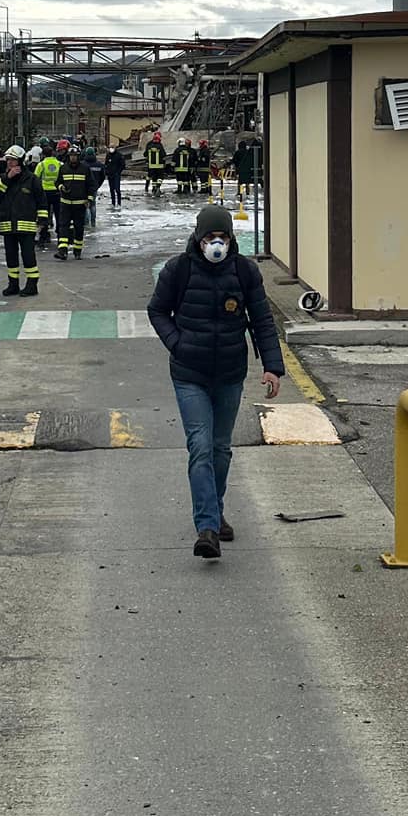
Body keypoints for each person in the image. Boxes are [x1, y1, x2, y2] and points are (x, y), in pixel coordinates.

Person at [149, 204, 283, 561]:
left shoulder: (244, 271)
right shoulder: (178, 270)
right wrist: (178, 344)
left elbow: (262, 320)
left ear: (231, 237)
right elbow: (157, 310)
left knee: (221, 448)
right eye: (210, 237)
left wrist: (273, 366)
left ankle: (215, 510)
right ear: (198, 237)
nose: (216, 244)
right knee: (201, 444)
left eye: (222, 237)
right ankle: (207, 527)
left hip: (229, 373)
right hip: (189, 374)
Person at [0, 147, 42, 297]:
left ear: (21, 161)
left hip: (26, 225)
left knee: (28, 255)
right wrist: (8, 177)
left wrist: (42, 220)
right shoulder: (4, 178)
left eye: (13, 160)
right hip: (8, 225)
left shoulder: (31, 179)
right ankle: (13, 284)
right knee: (11, 256)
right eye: (8, 160)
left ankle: (32, 284)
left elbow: (41, 201)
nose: (9, 162)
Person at [55, 144, 90, 260]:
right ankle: (62, 251)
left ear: (78, 156)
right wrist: (61, 187)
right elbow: (58, 182)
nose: (73, 158)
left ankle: (77, 251)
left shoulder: (85, 169)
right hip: (65, 203)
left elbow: (91, 185)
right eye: (71, 156)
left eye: (75, 156)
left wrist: (89, 199)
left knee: (79, 228)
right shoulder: (63, 168)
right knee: (63, 227)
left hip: (80, 204)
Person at [34, 144, 63, 244]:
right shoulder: (59, 164)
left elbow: (35, 178)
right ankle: (60, 234)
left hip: (45, 192)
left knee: (44, 214)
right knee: (59, 214)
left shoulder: (41, 164)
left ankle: (44, 235)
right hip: (57, 192)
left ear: (43, 155)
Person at [82, 147, 105, 228]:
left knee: (85, 205)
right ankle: (93, 222)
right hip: (94, 188)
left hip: (84, 188)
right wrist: (97, 186)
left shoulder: (83, 164)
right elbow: (102, 177)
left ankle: (86, 223)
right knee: (93, 204)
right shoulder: (99, 165)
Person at [143, 131, 167, 197]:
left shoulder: (149, 145)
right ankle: (157, 188)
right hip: (159, 165)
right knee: (160, 177)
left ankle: (151, 189)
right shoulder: (160, 145)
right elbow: (164, 154)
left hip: (151, 165)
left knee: (153, 177)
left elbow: (145, 154)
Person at [105, 144, 127, 209]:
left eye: (112, 147)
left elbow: (123, 165)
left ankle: (119, 203)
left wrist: (118, 172)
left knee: (117, 189)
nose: (111, 149)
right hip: (110, 175)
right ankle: (113, 203)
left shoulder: (119, 155)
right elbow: (106, 164)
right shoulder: (108, 155)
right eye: (110, 147)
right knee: (111, 189)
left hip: (116, 175)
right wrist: (107, 172)